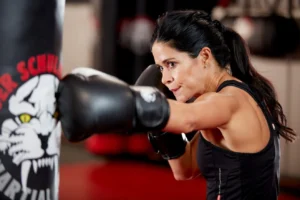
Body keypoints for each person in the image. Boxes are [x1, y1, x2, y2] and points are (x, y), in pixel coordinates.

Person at [56, 10, 297, 200]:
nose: (164, 79)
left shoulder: (229, 101)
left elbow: (188, 118)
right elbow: (185, 170)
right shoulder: (212, 102)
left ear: (204, 56)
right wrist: (161, 131)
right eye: (161, 68)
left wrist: (138, 103)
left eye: (172, 64)